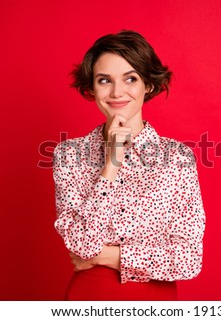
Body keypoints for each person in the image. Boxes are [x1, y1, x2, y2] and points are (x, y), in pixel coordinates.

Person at [52, 30, 206, 301]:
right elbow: (81, 244)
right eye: (104, 80)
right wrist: (112, 162)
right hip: (90, 298)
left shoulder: (178, 159)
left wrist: (108, 255)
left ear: (147, 85)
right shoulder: (69, 155)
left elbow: (188, 260)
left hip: (155, 301)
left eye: (130, 79)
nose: (116, 92)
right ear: (92, 86)